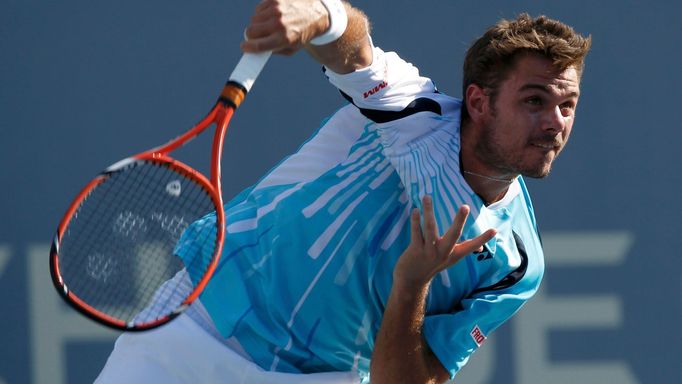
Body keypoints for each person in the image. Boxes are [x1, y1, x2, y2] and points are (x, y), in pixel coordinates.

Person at [96, 1, 591, 383]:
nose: (555, 123)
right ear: (480, 102)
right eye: (534, 101)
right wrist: (320, 14)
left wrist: (411, 284)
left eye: (567, 105)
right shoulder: (414, 114)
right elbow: (354, 49)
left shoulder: (516, 266)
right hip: (196, 327)